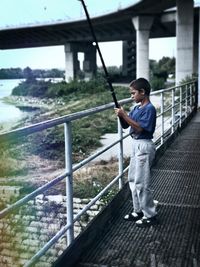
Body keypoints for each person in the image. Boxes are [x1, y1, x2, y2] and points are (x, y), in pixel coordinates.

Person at [114, 77, 158, 228]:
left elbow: (140, 128)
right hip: (135, 144)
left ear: (143, 92)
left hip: (144, 145)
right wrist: (122, 115)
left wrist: (124, 115)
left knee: (142, 182)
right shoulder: (136, 108)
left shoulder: (149, 109)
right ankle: (138, 210)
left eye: (133, 93)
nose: (132, 96)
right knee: (133, 179)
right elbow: (127, 126)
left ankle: (150, 215)